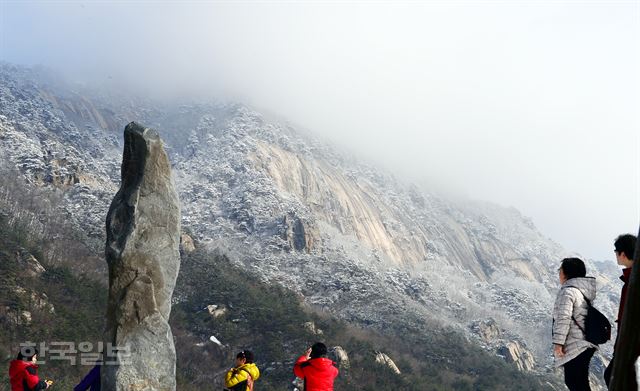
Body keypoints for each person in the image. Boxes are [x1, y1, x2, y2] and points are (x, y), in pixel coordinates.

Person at [552, 257, 597, 391]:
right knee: (578, 382)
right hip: (584, 343)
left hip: (576, 345)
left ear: (566, 273)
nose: (559, 273)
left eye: (560, 270)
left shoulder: (568, 292)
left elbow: (564, 317)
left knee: (575, 382)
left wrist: (558, 343)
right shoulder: (581, 292)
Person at [604, 233, 637, 387]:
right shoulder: (631, 278)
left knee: (613, 374)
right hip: (629, 335)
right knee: (623, 376)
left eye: (616, 252)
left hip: (630, 336)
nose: (616, 256)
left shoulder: (633, 280)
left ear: (622, 254)